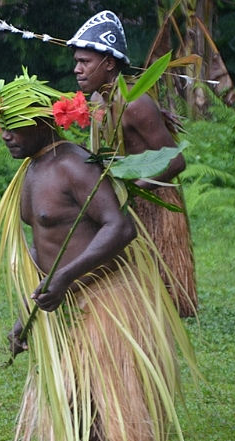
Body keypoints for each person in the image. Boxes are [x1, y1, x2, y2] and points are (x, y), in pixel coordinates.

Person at [0, 72, 198, 441]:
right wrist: (27, 318)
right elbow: (45, 246)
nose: (5, 134)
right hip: (61, 307)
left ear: (44, 122)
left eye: (14, 123)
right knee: (70, 416)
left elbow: (119, 227)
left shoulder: (73, 164)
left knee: (94, 409)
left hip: (102, 300)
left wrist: (66, 277)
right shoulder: (30, 172)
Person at [68, 10, 198, 318]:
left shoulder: (135, 103)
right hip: (123, 203)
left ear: (109, 63)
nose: (77, 69)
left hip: (152, 206)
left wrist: (133, 191)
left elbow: (176, 161)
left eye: (84, 62)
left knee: (158, 298)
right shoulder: (99, 101)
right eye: (76, 62)